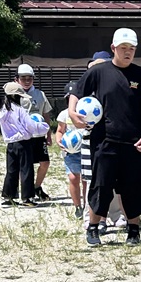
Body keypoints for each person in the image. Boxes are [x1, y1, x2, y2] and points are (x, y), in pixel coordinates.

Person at [69, 28, 141, 246]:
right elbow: (76, 93)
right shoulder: (99, 72)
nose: (128, 52)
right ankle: (93, 227)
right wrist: (72, 113)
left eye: (132, 49)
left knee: (134, 186)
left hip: (134, 142)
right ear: (113, 48)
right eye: (123, 48)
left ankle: (133, 229)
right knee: (101, 185)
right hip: (104, 141)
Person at [78, 52, 127, 233]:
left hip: (112, 139)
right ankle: (92, 217)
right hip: (90, 139)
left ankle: (115, 214)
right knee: (92, 180)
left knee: (113, 179)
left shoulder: (114, 86)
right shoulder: (85, 87)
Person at [0, 82, 49, 207]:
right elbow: (30, 126)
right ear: (16, 96)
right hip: (23, 143)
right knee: (26, 169)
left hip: (10, 144)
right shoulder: (20, 110)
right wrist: (44, 128)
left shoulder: (3, 110)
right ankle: (27, 198)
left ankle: (8, 197)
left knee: (11, 170)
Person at [16, 64, 53, 201]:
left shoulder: (40, 94)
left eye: (29, 78)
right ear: (17, 79)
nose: (26, 81)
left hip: (39, 136)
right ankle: (27, 189)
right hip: (24, 136)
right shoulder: (15, 95)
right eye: (23, 78)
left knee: (45, 163)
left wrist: (48, 134)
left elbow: (46, 114)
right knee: (26, 165)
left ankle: (37, 186)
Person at [56, 83, 84, 218]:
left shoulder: (86, 112)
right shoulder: (64, 114)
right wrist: (59, 140)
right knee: (73, 178)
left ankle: (87, 205)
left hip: (85, 149)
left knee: (86, 180)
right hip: (70, 152)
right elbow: (60, 131)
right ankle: (77, 206)